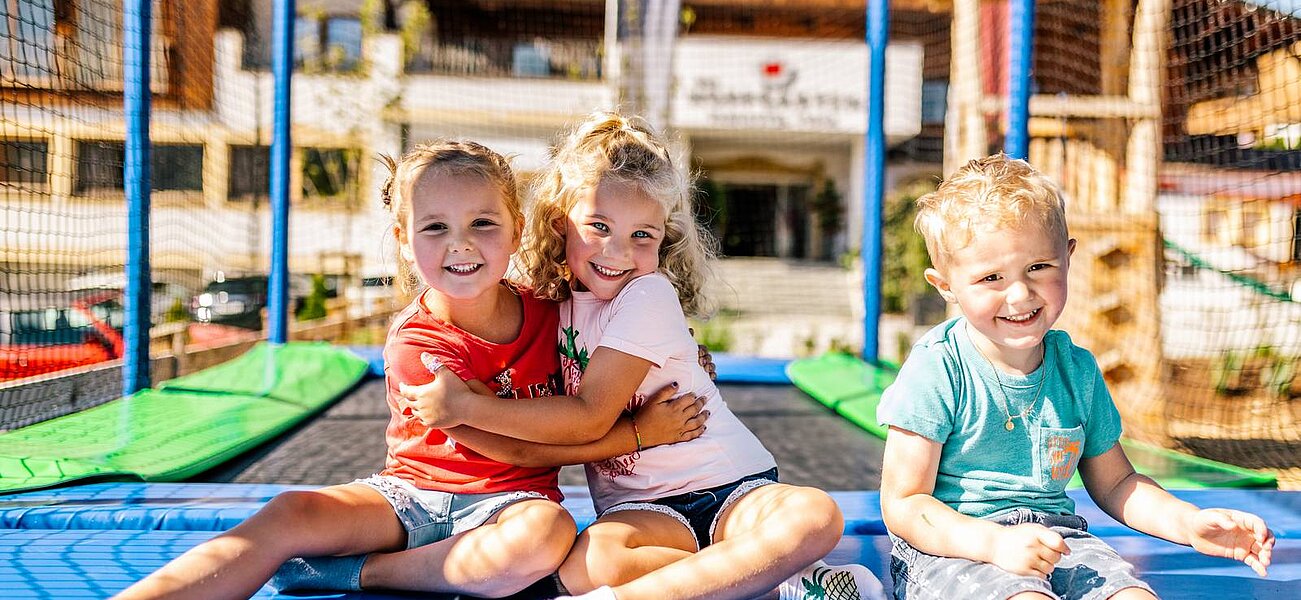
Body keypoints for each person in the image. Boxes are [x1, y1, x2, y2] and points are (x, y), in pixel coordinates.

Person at [115, 140, 706, 600]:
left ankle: (359, 575)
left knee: (544, 537)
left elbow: (620, 350)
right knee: (289, 513)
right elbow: (513, 447)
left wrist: (678, 359)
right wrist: (637, 434)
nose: (461, 245)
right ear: (402, 239)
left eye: (482, 223)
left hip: (511, 508)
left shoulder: (555, 311)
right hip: (410, 498)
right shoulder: (417, 340)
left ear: (517, 230)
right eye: (435, 227)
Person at [401, 112, 884, 600]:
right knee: (590, 562)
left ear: (662, 240)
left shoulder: (647, 294)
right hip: (642, 509)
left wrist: (465, 407)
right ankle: (778, 583)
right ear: (558, 224)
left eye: (642, 236)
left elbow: (588, 416)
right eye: (598, 226)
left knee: (815, 515)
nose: (618, 252)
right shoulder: (551, 306)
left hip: (729, 484)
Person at [877, 154, 1276, 600]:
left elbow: (1119, 483)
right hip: (953, 549)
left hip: (1060, 540)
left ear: (1068, 257)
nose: (1020, 293)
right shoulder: (938, 367)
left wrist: (1187, 522)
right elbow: (905, 504)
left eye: (1038, 268)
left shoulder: (1077, 370)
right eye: (991, 277)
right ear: (946, 285)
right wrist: (991, 543)